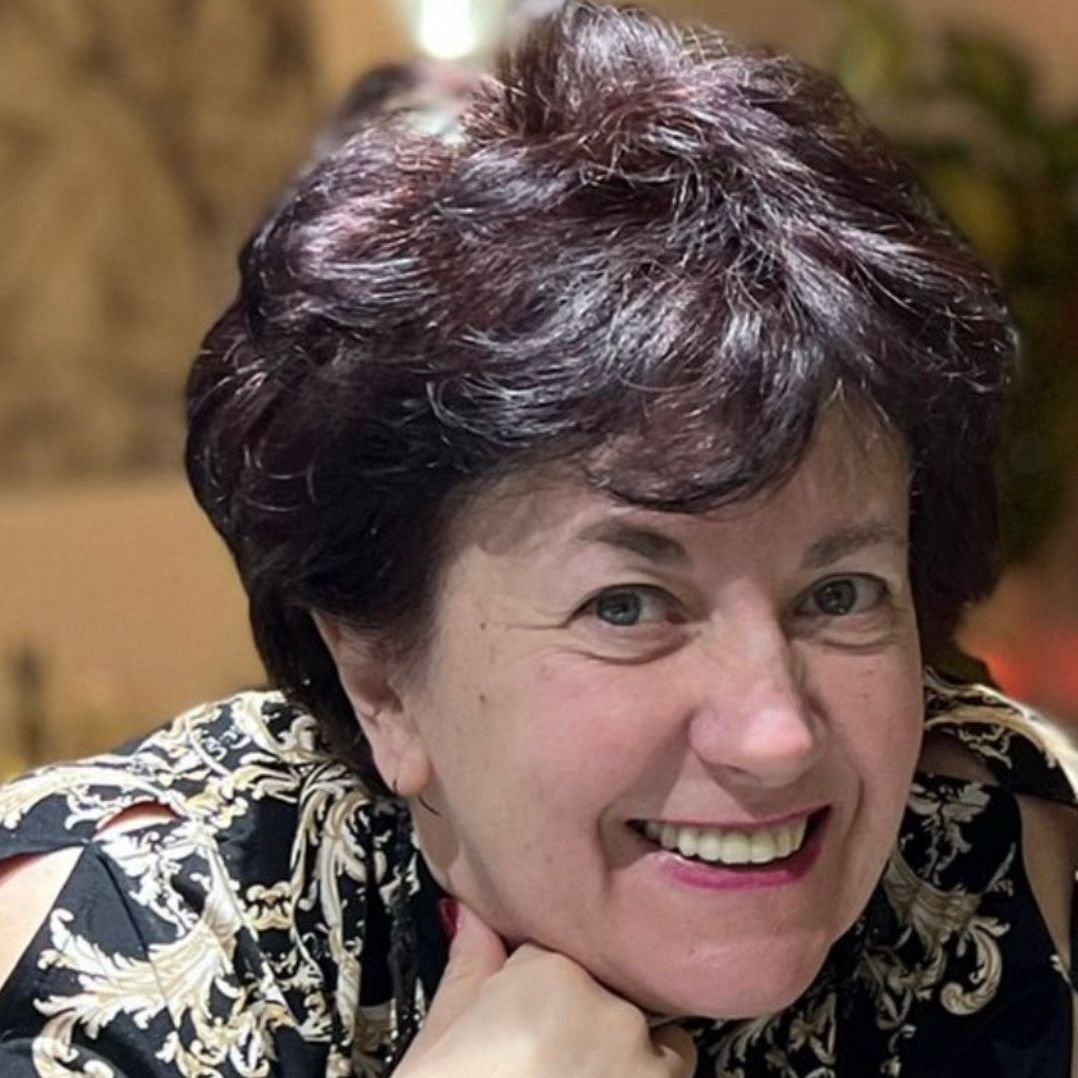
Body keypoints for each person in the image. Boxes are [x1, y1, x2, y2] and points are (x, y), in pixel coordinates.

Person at [1, 3, 1075, 1074]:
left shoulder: (984, 852)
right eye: (628, 606)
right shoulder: (113, 947)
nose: (775, 735)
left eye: (839, 593)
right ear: (380, 680)